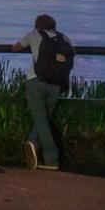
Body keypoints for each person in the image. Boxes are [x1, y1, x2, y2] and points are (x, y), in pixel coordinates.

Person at [12, 13, 75, 171]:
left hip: (36, 81)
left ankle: (52, 159)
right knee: (44, 119)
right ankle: (32, 142)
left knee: (41, 121)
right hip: (56, 85)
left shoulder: (34, 34)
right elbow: (72, 52)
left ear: (37, 25)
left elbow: (16, 47)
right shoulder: (64, 38)